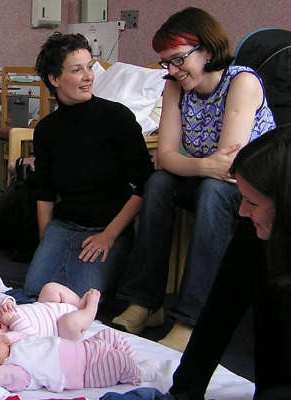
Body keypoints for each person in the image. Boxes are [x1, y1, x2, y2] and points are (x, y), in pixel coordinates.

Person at [113, 7, 276, 352]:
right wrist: (202, 166)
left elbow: (232, 169)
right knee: (157, 184)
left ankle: (192, 319)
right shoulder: (175, 86)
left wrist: (194, 165)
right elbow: (167, 158)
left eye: (178, 59)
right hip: (208, 176)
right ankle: (145, 302)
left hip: (250, 187)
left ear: (207, 49)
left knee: (214, 192)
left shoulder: (242, 82)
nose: (172, 70)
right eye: (166, 62)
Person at [16, 32, 154, 304]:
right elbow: (44, 192)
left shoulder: (117, 118)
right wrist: (47, 243)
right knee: (36, 292)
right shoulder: (46, 129)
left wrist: (108, 237)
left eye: (89, 67)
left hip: (108, 227)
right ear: (55, 79)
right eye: (77, 70)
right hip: (64, 225)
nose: (88, 76)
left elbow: (143, 185)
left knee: (78, 300)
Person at [169, 126, 291, 399]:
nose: (241, 211)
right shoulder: (253, 231)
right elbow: (219, 313)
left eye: (252, 202)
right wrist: (183, 392)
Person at [0, 328, 148, 397]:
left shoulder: (16, 348)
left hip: (85, 348)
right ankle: (138, 373)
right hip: (86, 370)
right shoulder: (16, 370)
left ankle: (133, 360)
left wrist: (5, 337)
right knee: (118, 362)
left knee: (110, 334)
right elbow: (4, 377)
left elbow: (26, 336)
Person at [0, 283, 100, 350]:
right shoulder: (10, 341)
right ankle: (90, 310)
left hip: (50, 307)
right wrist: (12, 320)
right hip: (64, 331)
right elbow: (32, 338)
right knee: (70, 322)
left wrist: (6, 301)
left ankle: (78, 303)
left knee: (50, 289)